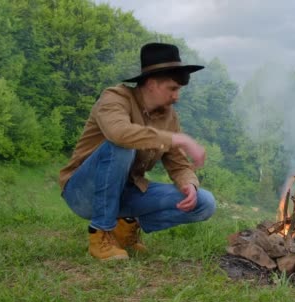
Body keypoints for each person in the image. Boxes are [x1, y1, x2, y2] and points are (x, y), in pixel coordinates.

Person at [59, 42, 216, 261]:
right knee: (121, 146)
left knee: (205, 202)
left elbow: (179, 164)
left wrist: (188, 183)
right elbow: (119, 133)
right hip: (83, 192)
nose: (176, 97)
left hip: (127, 193)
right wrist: (176, 138)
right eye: (172, 89)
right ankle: (100, 233)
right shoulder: (114, 98)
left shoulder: (169, 117)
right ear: (152, 84)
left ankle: (125, 229)